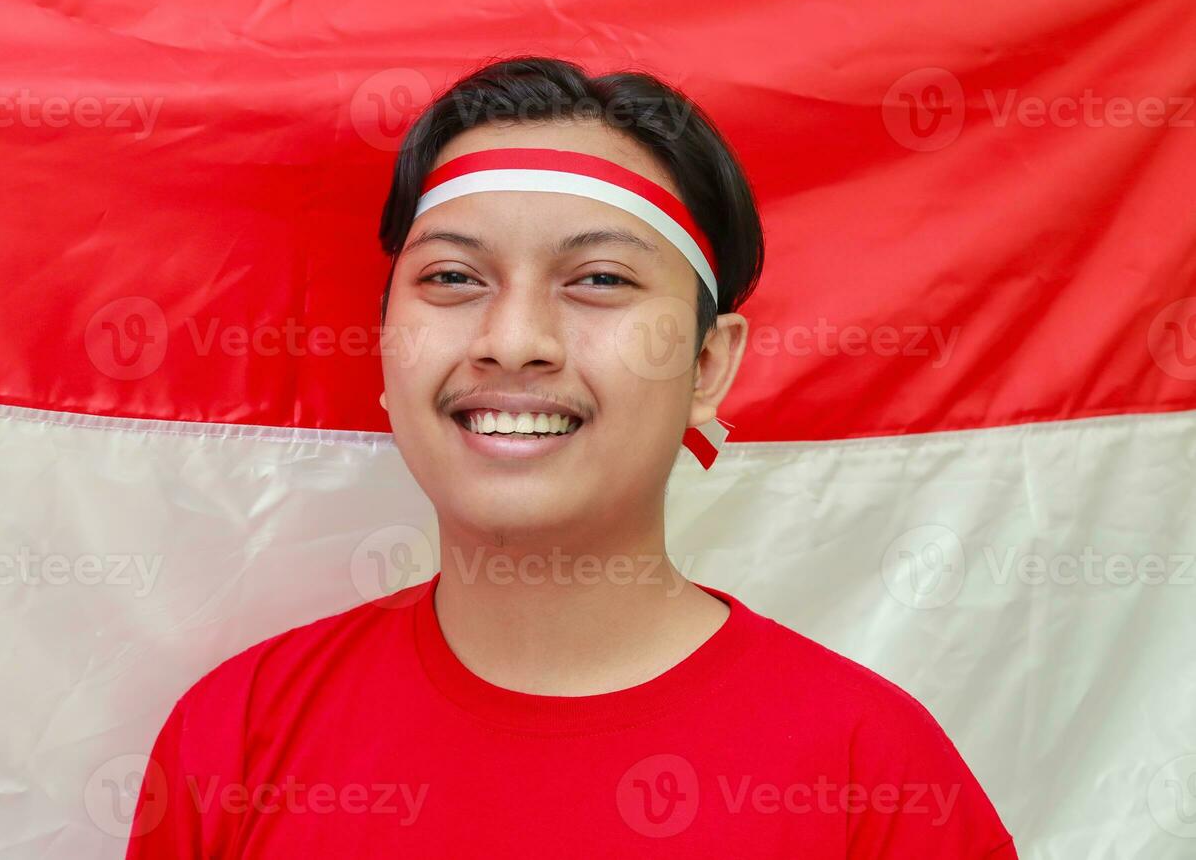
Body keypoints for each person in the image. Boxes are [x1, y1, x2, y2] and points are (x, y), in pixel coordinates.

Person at [124, 55, 1018, 857]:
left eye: (599, 280)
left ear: (707, 365)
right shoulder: (235, 740)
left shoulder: (881, 780)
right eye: (453, 278)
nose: (513, 342)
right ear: (387, 350)